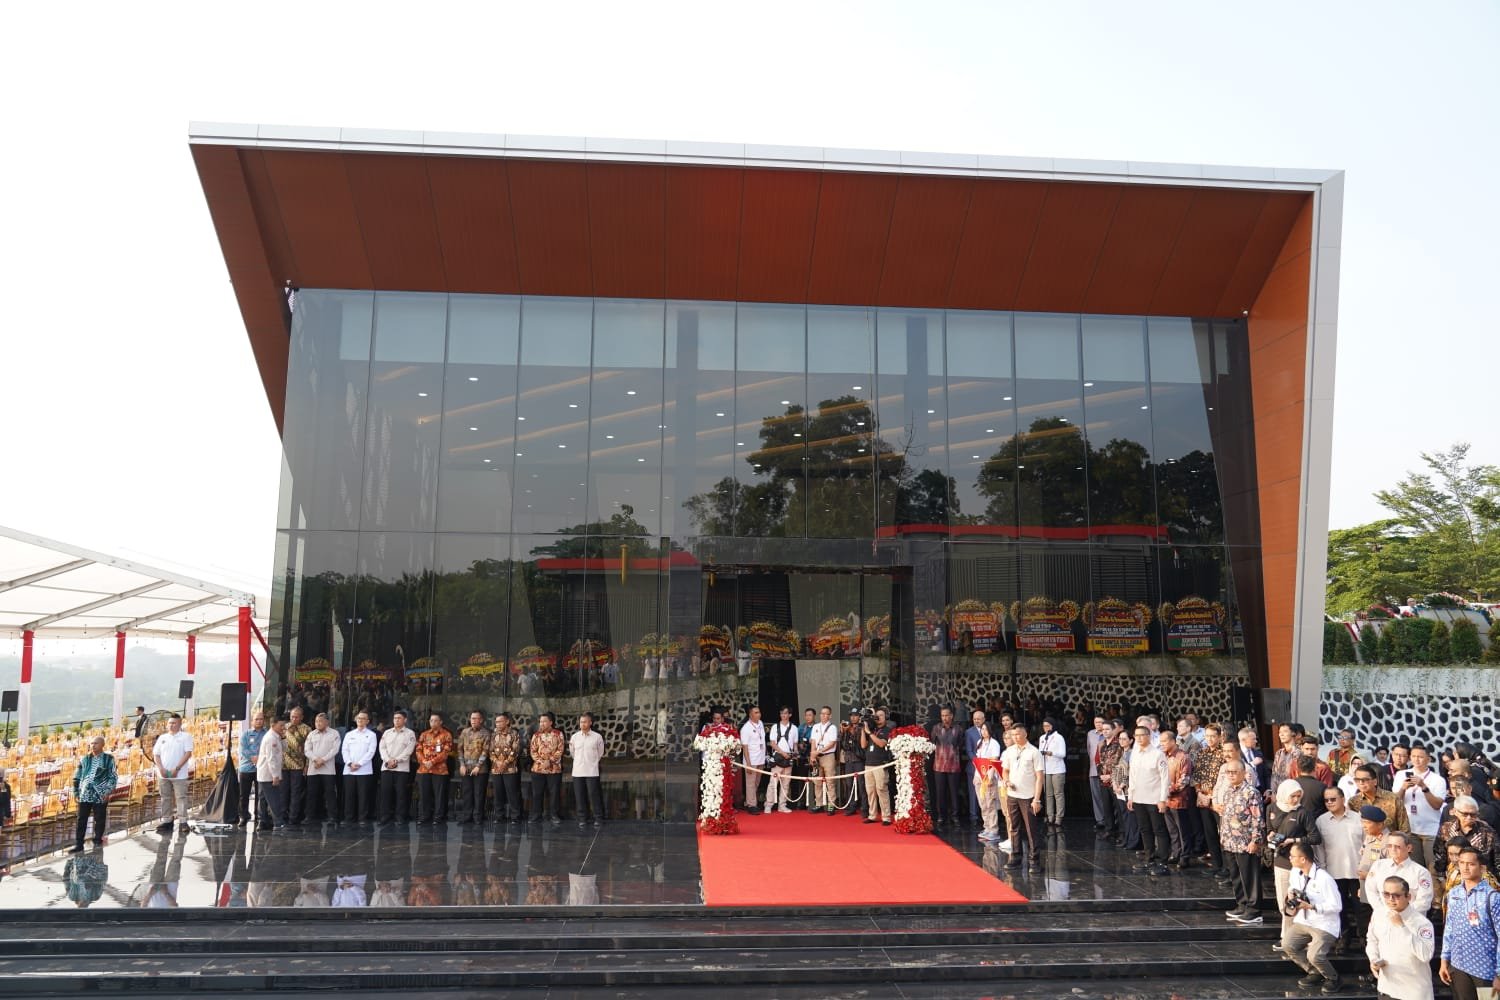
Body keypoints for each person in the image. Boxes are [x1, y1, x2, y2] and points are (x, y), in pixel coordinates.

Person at [1281, 842, 1343, 993]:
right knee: (1288, 944)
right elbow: (1292, 886)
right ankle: (1314, 972)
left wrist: (1312, 907)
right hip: (1304, 920)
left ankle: (1333, 978)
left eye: (1292, 856)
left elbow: (1337, 906)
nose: (1290, 858)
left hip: (1324, 924)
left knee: (1314, 955)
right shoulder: (1296, 872)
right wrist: (1291, 894)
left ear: (1303, 859)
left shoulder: (1324, 879)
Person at [1439, 846, 1500, 1000]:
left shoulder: (1493, 897)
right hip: (1459, 966)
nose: (1465, 867)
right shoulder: (1453, 894)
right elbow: (1449, 929)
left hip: (1486, 970)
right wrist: (1444, 960)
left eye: (1471, 864)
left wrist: (1499, 973)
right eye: (1462, 862)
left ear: (1482, 867)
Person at [1366, 874, 1436, 1000]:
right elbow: (1372, 939)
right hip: (1386, 988)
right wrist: (1373, 959)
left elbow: (1425, 955)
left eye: (1396, 895)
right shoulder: (1379, 914)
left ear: (1408, 897)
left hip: (1414, 992)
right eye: (1386, 894)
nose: (1391, 899)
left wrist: (1402, 927)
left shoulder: (1422, 923)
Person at [1267, 779, 1321, 940]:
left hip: (1298, 864)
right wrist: (1270, 835)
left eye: (1298, 796)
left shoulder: (1302, 812)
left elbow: (1315, 837)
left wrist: (1294, 840)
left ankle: (1290, 938)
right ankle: (1288, 936)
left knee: (1297, 901)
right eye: (1293, 796)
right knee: (1282, 900)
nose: (1296, 800)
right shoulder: (1272, 808)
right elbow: (1269, 828)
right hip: (1281, 860)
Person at [1314, 785, 1365, 951]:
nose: (1329, 802)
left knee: (1362, 908)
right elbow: (1319, 847)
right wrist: (1322, 869)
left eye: (1333, 799)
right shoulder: (1321, 821)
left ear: (1343, 799)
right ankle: (1344, 937)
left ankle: (1366, 939)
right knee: (1338, 908)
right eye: (1326, 800)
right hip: (1333, 872)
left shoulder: (1358, 818)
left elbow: (1367, 842)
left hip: (1358, 872)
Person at [1219, 758, 1264, 924]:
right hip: (1230, 841)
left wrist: (1255, 840)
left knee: (1249, 876)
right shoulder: (1229, 791)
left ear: (1244, 773)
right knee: (1236, 875)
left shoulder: (1251, 792)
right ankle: (1242, 903)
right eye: (1228, 772)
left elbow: (1257, 818)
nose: (1230, 775)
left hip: (1246, 842)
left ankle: (1254, 909)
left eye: (1234, 772)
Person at [1128, 724, 1171, 876]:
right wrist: (1130, 795)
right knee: (1145, 829)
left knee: (1159, 829)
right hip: (1139, 797)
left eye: (1142, 735)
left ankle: (1163, 862)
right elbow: (1132, 775)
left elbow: (1165, 778)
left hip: (1154, 798)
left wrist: (1163, 799)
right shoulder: (1135, 753)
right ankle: (1149, 858)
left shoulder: (1158, 754)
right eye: (1136, 735)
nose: (1139, 738)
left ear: (1149, 736)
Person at [1395, 746, 1447, 872]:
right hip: (1410, 829)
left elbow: (1437, 805)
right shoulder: (1401, 775)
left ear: (1428, 759)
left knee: (1433, 869)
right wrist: (1403, 788)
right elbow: (1395, 802)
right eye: (1413, 756)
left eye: (1420, 757)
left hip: (1430, 830)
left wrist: (1423, 786)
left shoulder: (1437, 780)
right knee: (1414, 868)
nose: (1416, 760)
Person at [1002, 724, 1044, 871]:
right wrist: (1006, 781)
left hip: (1028, 796)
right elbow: (1005, 770)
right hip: (1012, 795)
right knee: (1014, 827)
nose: (1015, 737)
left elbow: (1040, 777)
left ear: (1025, 734)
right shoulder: (1009, 751)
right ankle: (1015, 857)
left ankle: (1034, 861)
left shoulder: (1034, 752)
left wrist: (1036, 799)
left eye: (1018, 734)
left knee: (1031, 829)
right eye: (1013, 735)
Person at [1367, 832, 1435, 919]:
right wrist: (1384, 912)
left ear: (1409, 848)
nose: (1393, 849)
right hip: (1383, 918)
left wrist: (1401, 914)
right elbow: (1371, 891)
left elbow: (1424, 901)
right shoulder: (1378, 866)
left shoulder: (1421, 872)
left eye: (1397, 846)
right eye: (1390, 846)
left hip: (1410, 921)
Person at [1194, 723, 1230, 880]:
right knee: (1210, 833)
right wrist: (1199, 792)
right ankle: (1216, 864)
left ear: (1220, 737)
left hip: (1219, 799)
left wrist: (1212, 796)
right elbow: (1197, 774)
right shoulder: (1202, 752)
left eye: (1212, 736)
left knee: (1224, 833)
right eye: (1207, 736)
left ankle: (1228, 867)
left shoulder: (1225, 753)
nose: (1209, 739)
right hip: (1203, 798)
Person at [70, 736, 116, 852]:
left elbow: (113, 777)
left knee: (99, 818)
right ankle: (79, 844)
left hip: (100, 793)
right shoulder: (85, 759)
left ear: (102, 745)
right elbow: (77, 776)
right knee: (81, 819)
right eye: (91, 743)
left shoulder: (108, 759)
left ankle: (97, 840)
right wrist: (76, 792)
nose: (93, 745)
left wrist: (108, 791)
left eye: (95, 743)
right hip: (85, 793)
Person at [153, 713, 194, 835]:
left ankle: (183, 821)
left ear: (180, 724)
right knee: (165, 797)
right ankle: (167, 820)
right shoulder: (162, 737)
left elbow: (188, 753)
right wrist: (160, 768)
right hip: (163, 774)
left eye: (174, 723)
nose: (171, 725)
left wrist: (177, 768)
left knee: (180, 797)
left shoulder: (185, 737)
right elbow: (156, 754)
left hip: (179, 774)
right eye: (169, 723)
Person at [1159, 730, 1193, 868]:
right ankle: (1176, 853)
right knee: (1172, 830)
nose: (1162, 744)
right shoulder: (1162, 757)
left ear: (1173, 741)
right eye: (1160, 742)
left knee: (1182, 830)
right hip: (1166, 800)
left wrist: (1167, 790)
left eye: (1164, 741)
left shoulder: (1183, 757)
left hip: (1179, 800)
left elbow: (1184, 780)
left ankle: (1185, 856)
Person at [377, 709, 416, 825]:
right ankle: (384, 816)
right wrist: (388, 760)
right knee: (385, 793)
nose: (396, 720)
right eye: (395, 718)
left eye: (399, 718)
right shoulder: (387, 732)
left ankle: (400, 817)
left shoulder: (410, 733)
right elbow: (382, 748)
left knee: (401, 794)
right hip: (387, 767)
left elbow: (409, 750)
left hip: (401, 768)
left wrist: (396, 760)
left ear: (405, 720)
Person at [414, 713, 453, 825]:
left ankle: (438, 817)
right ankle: (423, 816)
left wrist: (432, 762)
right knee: (424, 794)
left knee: (439, 795)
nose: (433, 723)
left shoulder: (446, 735)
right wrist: (424, 761)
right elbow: (418, 750)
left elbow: (446, 752)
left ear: (441, 722)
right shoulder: (424, 734)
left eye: (436, 720)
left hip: (439, 770)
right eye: (431, 720)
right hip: (424, 769)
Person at [303, 712, 342, 825]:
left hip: (328, 769)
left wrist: (323, 760)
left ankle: (332, 817)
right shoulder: (311, 734)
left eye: (320, 721)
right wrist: (316, 759)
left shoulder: (334, 733)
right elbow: (307, 750)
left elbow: (335, 750)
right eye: (316, 721)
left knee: (330, 793)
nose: (318, 723)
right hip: (313, 769)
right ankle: (310, 816)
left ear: (327, 722)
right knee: (311, 793)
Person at [568, 712, 605, 829]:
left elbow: (600, 753)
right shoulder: (574, 737)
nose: (582, 724)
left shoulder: (597, 737)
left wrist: (592, 762)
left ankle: (598, 818)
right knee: (580, 796)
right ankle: (583, 819)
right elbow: (572, 752)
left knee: (594, 795)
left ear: (590, 723)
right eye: (581, 722)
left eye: (585, 722)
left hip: (592, 771)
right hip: (578, 771)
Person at [931, 706, 965, 828]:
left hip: (953, 765)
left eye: (947, 715)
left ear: (951, 716)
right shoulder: (936, 728)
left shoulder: (958, 729)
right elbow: (932, 744)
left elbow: (961, 745)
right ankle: (941, 816)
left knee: (954, 793)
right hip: (939, 765)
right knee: (940, 793)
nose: (945, 718)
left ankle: (955, 816)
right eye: (942, 716)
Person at [340, 712, 377, 825]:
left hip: (364, 770)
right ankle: (348, 818)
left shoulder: (371, 735)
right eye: (359, 718)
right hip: (349, 770)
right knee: (349, 795)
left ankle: (362, 818)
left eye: (363, 718)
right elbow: (344, 750)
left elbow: (371, 752)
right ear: (356, 720)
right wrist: (350, 763)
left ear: (367, 721)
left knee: (363, 795)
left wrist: (359, 764)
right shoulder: (349, 734)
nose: (360, 720)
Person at [530, 712, 565, 826]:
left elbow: (560, 750)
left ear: (551, 722)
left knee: (554, 793)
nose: (542, 723)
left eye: (544, 721)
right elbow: (532, 751)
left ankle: (554, 815)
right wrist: (542, 761)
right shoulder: (536, 735)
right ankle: (536, 815)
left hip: (554, 769)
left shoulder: (558, 734)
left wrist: (549, 761)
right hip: (538, 769)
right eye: (540, 721)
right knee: (537, 793)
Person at [487, 712, 523, 824]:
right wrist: (497, 762)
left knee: (512, 793)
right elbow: (490, 751)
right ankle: (499, 816)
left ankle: (515, 816)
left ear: (507, 721)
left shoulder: (514, 734)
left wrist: (505, 762)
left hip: (510, 769)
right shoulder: (493, 735)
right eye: (496, 722)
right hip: (496, 768)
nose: (497, 724)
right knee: (498, 793)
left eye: (500, 721)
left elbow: (516, 750)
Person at [456, 710, 491, 824]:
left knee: (479, 793)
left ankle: (478, 816)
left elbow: (486, 751)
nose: (474, 721)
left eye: (476, 718)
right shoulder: (465, 732)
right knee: (467, 792)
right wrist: (461, 764)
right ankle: (467, 815)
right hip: (466, 767)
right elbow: (459, 749)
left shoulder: (486, 733)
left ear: (481, 720)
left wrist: (478, 766)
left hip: (480, 769)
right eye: (472, 718)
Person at [972, 721, 1004, 844]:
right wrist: (976, 776)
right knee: (982, 803)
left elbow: (994, 760)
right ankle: (987, 827)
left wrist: (990, 777)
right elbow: (978, 760)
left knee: (990, 803)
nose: (983, 731)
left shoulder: (994, 743)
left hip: (989, 775)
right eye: (982, 729)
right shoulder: (979, 743)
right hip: (979, 775)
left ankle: (993, 829)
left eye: (985, 729)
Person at [861, 708, 893, 825]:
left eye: (881, 716)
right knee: (870, 791)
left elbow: (881, 743)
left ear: (886, 718)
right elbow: (863, 745)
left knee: (881, 789)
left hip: (880, 764)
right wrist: (863, 731)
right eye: (877, 715)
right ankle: (872, 815)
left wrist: (869, 733)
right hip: (868, 764)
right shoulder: (872, 729)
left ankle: (886, 817)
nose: (878, 718)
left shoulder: (887, 730)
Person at [236, 710, 267, 827]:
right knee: (244, 795)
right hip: (246, 768)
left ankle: (258, 816)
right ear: (252, 721)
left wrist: (260, 758)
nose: (259, 721)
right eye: (256, 719)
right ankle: (243, 816)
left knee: (260, 795)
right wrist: (253, 757)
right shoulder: (246, 734)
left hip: (261, 769)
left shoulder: (266, 733)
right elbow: (243, 749)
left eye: (261, 719)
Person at [255, 717, 286, 831]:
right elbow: (271, 759)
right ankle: (278, 822)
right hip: (268, 774)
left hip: (266, 774)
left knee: (263, 798)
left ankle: (262, 821)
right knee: (274, 798)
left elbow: (284, 749)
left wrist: (283, 738)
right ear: (273, 725)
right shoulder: (271, 738)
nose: (283, 728)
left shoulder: (276, 737)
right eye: (281, 725)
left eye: (284, 725)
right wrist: (275, 775)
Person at [282, 706, 311, 826]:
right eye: (292, 716)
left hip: (298, 765)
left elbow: (309, 749)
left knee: (296, 792)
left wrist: (307, 765)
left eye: (296, 717)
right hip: (283, 765)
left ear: (302, 717)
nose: (294, 719)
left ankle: (293, 817)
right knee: (283, 792)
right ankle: (282, 816)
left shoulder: (307, 729)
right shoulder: (284, 727)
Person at [1037, 717, 1067, 829]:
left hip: (1057, 769)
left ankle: (1059, 817)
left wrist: (1051, 753)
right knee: (1048, 794)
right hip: (1046, 769)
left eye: (1048, 726)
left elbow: (1063, 754)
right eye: (1044, 726)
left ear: (1053, 726)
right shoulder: (1042, 738)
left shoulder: (1059, 738)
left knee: (1058, 794)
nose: (1046, 728)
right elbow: (1040, 753)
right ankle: (1050, 816)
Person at [767, 707, 797, 813]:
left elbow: (795, 744)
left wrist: (795, 753)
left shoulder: (794, 728)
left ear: (790, 715)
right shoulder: (775, 727)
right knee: (773, 782)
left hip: (789, 757)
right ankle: (768, 804)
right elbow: (772, 743)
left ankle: (782, 805)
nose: (783, 715)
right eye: (781, 713)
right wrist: (782, 753)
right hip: (778, 756)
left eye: (785, 713)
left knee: (786, 783)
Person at [1086, 715, 1112, 838]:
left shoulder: (1108, 735)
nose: (1098, 724)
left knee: (1106, 798)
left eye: (1101, 722)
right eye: (1096, 722)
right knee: (1096, 796)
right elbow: (1089, 750)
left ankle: (1109, 821)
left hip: (1106, 772)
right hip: (1093, 770)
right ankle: (1100, 820)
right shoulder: (1090, 734)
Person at [810, 706, 839, 814]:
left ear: (830, 715)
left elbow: (832, 743)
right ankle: (819, 804)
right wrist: (812, 755)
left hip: (828, 756)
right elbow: (813, 741)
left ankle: (831, 804)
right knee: (817, 781)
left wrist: (819, 751)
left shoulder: (832, 727)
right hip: (817, 757)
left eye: (826, 713)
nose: (823, 715)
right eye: (822, 713)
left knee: (830, 781)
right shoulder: (816, 726)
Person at [738, 706, 767, 815]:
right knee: (750, 783)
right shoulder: (746, 728)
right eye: (756, 712)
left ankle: (750, 801)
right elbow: (744, 747)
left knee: (756, 783)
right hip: (751, 760)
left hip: (760, 759)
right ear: (750, 715)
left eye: (759, 712)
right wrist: (748, 764)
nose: (759, 714)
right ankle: (751, 805)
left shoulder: (761, 724)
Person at [838, 708, 866, 817]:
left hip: (859, 760)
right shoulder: (846, 727)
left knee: (861, 785)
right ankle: (851, 807)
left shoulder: (862, 727)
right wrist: (842, 731)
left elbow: (860, 743)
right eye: (851, 715)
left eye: (855, 715)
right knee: (849, 784)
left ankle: (864, 808)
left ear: (859, 716)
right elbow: (841, 742)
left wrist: (850, 730)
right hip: (849, 760)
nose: (853, 717)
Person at [964, 708, 987, 826]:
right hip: (973, 767)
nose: (976, 721)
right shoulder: (969, 732)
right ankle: (973, 816)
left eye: (978, 719)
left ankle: (986, 817)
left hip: (987, 768)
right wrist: (978, 763)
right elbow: (969, 750)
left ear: (984, 719)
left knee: (986, 793)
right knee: (973, 793)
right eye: (974, 719)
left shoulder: (988, 730)